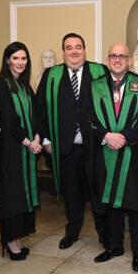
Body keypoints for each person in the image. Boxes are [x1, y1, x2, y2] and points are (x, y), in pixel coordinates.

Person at [36, 33, 108, 250]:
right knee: (72, 193)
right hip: (65, 147)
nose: (74, 51)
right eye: (69, 47)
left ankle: (104, 235)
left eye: (78, 47)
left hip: (95, 146)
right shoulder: (51, 75)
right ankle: (72, 231)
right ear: (63, 51)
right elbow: (39, 109)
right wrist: (46, 139)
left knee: (98, 192)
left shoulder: (100, 71)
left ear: (85, 50)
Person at [91, 43, 138, 272]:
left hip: (134, 156)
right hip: (105, 152)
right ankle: (114, 246)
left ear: (129, 60)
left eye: (122, 56)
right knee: (111, 204)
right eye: (113, 56)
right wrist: (106, 135)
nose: (117, 59)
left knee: (136, 205)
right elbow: (89, 117)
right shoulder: (95, 85)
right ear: (108, 59)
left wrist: (124, 137)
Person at [0, 42, 41, 260]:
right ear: (7, 60)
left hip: (27, 148)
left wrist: (37, 136)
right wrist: (28, 142)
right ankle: (9, 242)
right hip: (10, 150)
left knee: (23, 195)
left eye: (24, 58)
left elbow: (34, 114)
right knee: (11, 195)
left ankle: (17, 238)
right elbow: (9, 119)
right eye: (16, 58)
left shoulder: (24, 85)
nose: (20, 62)